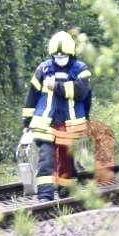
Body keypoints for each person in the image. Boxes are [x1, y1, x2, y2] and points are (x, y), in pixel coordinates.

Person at [22, 31, 92, 202]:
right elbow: (31, 97)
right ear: (51, 54)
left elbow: (82, 93)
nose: (59, 58)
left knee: (68, 163)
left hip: (70, 125)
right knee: (46, 162)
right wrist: (26, 122)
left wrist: (56, 86)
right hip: (46, 125)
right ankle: (44, 197)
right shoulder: (43, 69)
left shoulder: (81, 70)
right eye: (56, 55)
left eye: (63, 55)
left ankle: (66, 194)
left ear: (71, 53)